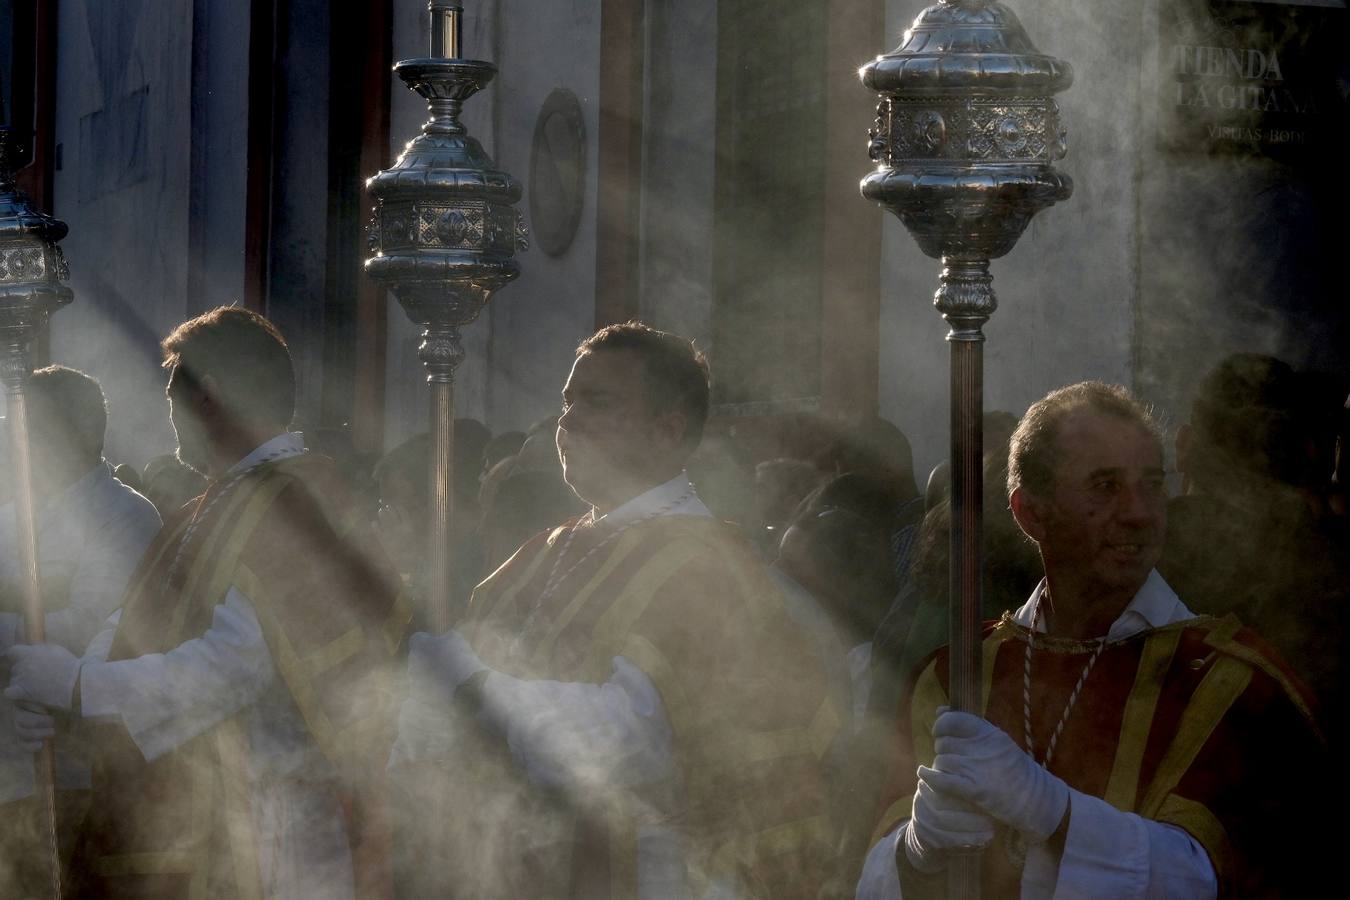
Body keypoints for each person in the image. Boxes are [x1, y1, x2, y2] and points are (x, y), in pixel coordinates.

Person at [394, 321, 839, 899]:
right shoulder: (546, 550)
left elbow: (630, 739)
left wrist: (473, 689)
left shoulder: (705, 564)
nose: (567, 421)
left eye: (597, 403)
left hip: (654, 874)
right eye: (567, 401)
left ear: (668, 430)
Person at [857, 381, 1330, 899]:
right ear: (1030, 513)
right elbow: (867, 872)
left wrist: (1053, 812)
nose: (1139, 512)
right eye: (1105, 486)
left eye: (1152, 484)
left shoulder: (1230, 685)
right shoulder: (954, 677)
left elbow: (1214, 878)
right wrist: (915, 853)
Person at [5, 307, 405, 899]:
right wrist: (59, 698)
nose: (168, 417)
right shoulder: (211, 505)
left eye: (173, 395)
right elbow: (131, 622)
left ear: (209, 396)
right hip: (197, 809)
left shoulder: (297, 501)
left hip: (276, 823)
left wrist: (78, 689)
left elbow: (235, 667)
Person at [0, 365, 162, 894]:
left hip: (75, 771)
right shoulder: (8, 516)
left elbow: (97, 632)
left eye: (30, 427)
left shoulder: (123, 515)